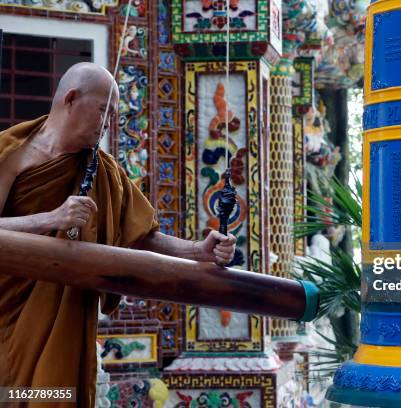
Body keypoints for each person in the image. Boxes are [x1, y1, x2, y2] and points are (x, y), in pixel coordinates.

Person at [0, 63, 236, 407]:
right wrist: (51, 218)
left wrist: (198, 250)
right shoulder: (12, 152)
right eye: (103, 111)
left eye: (113, 114)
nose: (108, 122)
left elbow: (142, 237)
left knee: (52, 395)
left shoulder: (104, 171)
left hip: (61, 315)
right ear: (70, 99)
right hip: (6, 306)